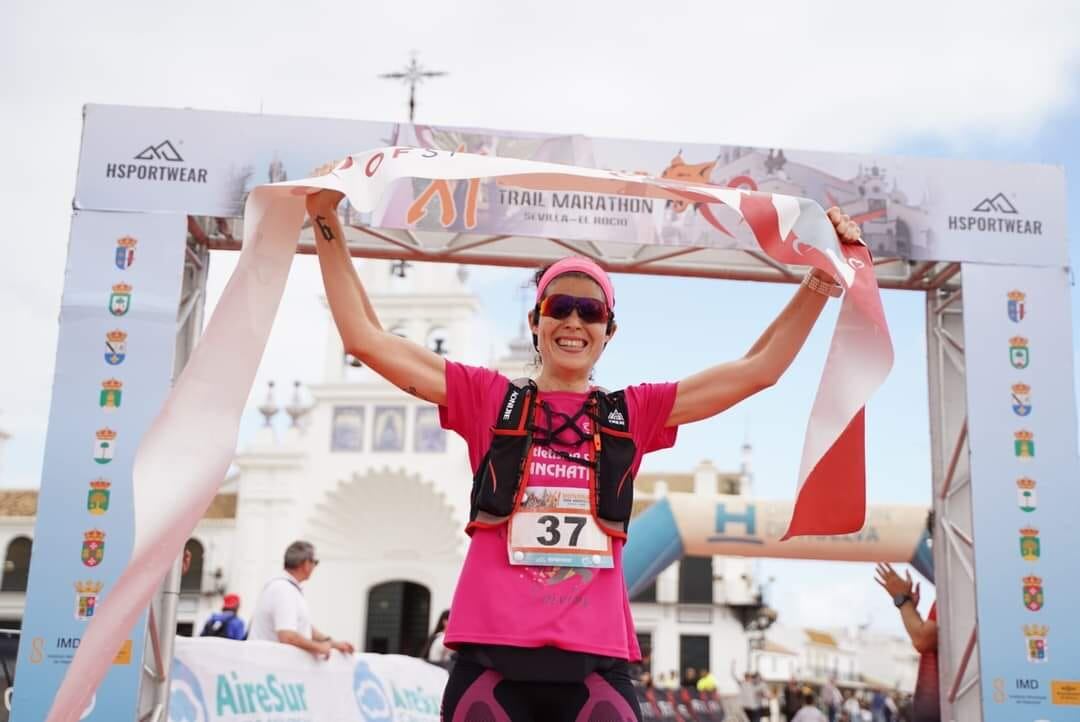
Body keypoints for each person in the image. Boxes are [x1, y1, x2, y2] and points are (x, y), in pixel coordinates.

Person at [307, 177, 863, 722]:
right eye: (560, 307)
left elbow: (758, 370)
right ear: (536, 321)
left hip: (595, 667)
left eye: (591, 312)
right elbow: (364, 338)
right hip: (491, 662)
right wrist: (325, 218)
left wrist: (820, 278)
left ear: (608, 330)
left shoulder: (632, 413)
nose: (574, 321)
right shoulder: (488, 398)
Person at [874, 517, 940, 722]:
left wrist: (902, 600)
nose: (932, 550)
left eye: (932, 541)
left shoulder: (959, 587)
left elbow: (923, 639)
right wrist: (912, 610)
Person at [248, 540, 356, 659]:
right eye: (315, 562)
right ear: (305, 564)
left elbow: (301, 625)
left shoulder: (286, 587)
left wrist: (331, 643)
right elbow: (287, 636)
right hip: (270, 668)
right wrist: (320, 647)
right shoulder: (284, 589)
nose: (315, 566)